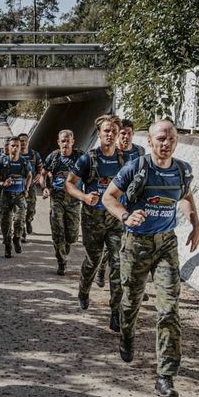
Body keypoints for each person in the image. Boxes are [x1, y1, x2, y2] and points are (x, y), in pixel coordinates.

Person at [102, 120, 199, 397]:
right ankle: (126, 334)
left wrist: (196, 223)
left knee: (169, 310)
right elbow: (110, 197)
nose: (165, 143)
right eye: (160, 138)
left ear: (176, 140)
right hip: (136, 244)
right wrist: (125, 215)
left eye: (170, 138)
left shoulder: (182, 170)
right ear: (151, 141)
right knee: (130, 302)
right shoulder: (137, 167)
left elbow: (185, 196)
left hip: (166, 244)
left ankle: (165, 376)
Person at [65, 115, 124, 330]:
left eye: (113, 131)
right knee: (94, 261)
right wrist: (83, 197)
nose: (110, 134)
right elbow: (69, 184)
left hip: (116, 220)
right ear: (99, 134)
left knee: (118, 264)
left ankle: (116, 310)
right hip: (92, 219)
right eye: (106, 131)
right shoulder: (88, 159)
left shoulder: (124, 161)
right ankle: (84, 289)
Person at [95, 119, 145, 288]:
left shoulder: (139, 151)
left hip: (134, 205)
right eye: (122, 133)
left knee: (134, 246)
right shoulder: (112, 154)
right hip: (116, 206)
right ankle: (102, 267)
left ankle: (133, 283)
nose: (126, 137)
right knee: (114, 245)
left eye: (129, 133)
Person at [42, 129, 83, 275]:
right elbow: (43, 174)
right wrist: (45, 188)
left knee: (71, 236)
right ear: (59, 142)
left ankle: (65, 248)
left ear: (73, 141)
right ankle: (61, 262)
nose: (65, 144)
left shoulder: (80, 157)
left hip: (74, 200)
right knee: (58, 232)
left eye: (68, 140)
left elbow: (90, 174)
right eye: (62, 141)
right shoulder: (53, 157)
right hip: (57, 198)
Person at [0, 136, 29, 258]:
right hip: (6, 195)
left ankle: (16, 238)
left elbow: (29, 175)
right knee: (5, 223)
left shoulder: (24, 161)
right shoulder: (2, 161)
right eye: (12, 146)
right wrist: (3, 183)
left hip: (19, 196)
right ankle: (7, 245)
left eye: (17, 146)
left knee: (20, 220)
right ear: (8, 147)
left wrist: (26, 188)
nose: (15, 148)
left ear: (20, 147)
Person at [18, 133, 46, 239]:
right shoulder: (16, 155)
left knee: (31, 208)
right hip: (19, 186)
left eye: (25, 141)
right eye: (21, 141)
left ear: (28, 141)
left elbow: (40, 167)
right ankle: (22, 231)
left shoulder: (34, 154)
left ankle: (29, 220)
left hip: (32, 186)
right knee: (20, 209)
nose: (23, 143)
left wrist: (39, 175)